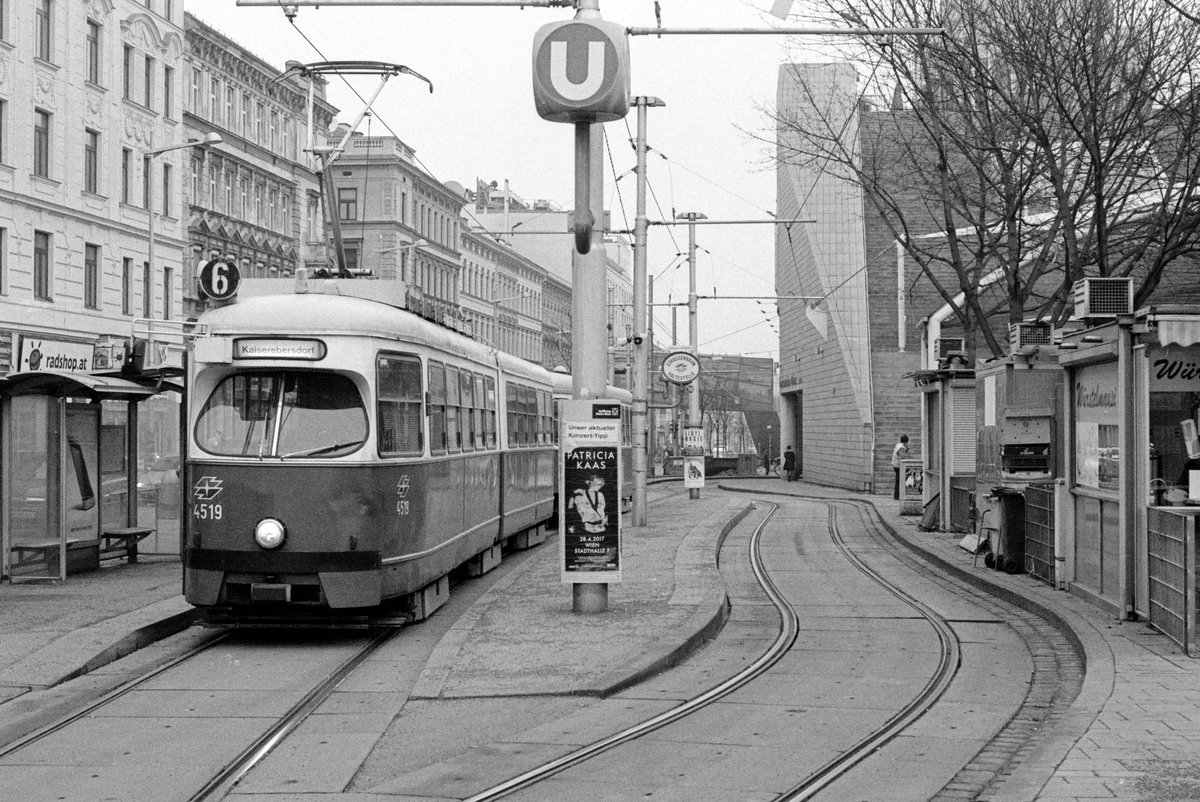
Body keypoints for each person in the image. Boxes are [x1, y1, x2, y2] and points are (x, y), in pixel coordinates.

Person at [892, 434, 910, 500]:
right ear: (906, 441)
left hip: (896, 464)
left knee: (898, 480)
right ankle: (897, 496)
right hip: (898, 465)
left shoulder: (898, 445)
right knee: (899, 481)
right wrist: (906, 451)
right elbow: (902, 456)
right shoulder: (901, 447)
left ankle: (897, 495)